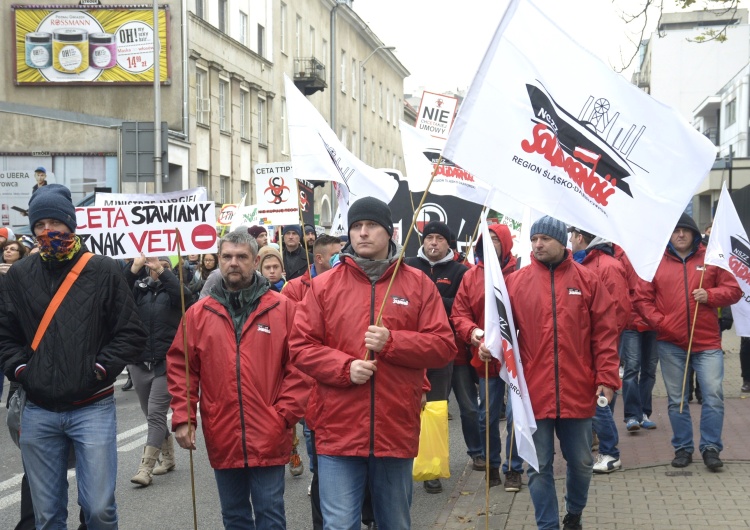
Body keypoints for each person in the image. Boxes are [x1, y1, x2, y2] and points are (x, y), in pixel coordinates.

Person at [289, 197, 457, 530]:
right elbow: (300, 346)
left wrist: (393, 343)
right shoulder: (323, 287)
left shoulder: (418, 284)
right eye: (356, 227)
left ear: (389, 231)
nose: (363, 233)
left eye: (371, 226)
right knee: (339, 524)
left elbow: (443, 347)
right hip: (337, 428)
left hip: (395, 426)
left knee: (394, 522)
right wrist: (344, 368)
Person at [0, 184, 147, 529]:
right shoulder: (19, 276)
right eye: (40, 225)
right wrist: (21, 370)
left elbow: (131, 333)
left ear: (71, 223)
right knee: (46, 515)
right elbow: (6, 334)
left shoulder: (105, 270)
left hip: (91, 407)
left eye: (55, 222)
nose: (48, 231)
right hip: (38, 409)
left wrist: (98, 369)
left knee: (99, 510)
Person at [167, 229, 311, 529]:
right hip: (223, 430)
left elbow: (300, 366)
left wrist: (283, 415)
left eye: (241, 257)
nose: (234, 263)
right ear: (218, 260)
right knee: (234, 516)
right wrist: (183, 416)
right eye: (227, 257)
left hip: (269, 431)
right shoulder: (197, 313)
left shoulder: (283, 308)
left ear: (255, 260)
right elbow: (183, 367)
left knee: (270, 514)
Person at [503, 216, 620, 530]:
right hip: (532, 392)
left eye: (545, 239)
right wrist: (486, 346)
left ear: (562, 241)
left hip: (577, 389)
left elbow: (605, 334)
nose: (538, 245)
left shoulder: (587, 280)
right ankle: (548, 526)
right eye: (534, 239)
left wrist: (606, 378)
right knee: (538, 467)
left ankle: (575, 514)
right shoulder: (515, 282)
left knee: (582, 462)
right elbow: (501, 333)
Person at [635, 213, 742, 471]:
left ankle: (710, 448)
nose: (680, 234)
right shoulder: (655, 262)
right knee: (676, 400)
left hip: (707, 343)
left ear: (694, 234)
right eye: (675, 231)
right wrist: (661, 323)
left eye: (685, 230)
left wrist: (711, 295)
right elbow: (641, 299)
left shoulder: (712, 259)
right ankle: (682, 448)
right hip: (671, 343)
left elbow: (735, 290)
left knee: (714, 396)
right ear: (669, 235)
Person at [452, 223, 524, 491]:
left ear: (505, 242)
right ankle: (492, 464)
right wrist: (475, 335)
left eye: (496, 239)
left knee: (516, 415)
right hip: (485, 359)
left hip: (516, 359)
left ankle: (513, 468)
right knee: (486, 416)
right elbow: (459, 314)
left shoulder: (520, 274)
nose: (490, 243)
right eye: (486, 239)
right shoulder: (471, 277)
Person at [405, 220, 468, 494]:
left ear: (448, 243)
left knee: (434, 409)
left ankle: (431, 468)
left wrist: (430, 299)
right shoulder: (406, 265)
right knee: (405, 409)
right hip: (406, 351)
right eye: (429, 237)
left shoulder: (460, 271)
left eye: (439, 239)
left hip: (441, 351)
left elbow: (462, 307)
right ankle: (401, 462)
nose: (433, 243)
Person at [569, 226, 630, 474]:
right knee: (594, 400)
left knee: (598, 400)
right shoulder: (583, 264)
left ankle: (610, 453)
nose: (569, 241)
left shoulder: (607, 266)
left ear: (580, 237)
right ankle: (603, 449)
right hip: (584, 347)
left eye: (571, 236)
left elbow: (618, 313)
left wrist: (601, 344)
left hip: (598, 347)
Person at [125, 254, 190, 486]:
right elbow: (116, 295)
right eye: (153, 266)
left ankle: (145, 468)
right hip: (140, 362)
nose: (157, 269)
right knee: (151, 415)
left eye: (165, 267)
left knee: (155, 414)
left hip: (166, 363)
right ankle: (169, 458)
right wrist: (133, 268)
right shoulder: (137, 290)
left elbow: (186, 298)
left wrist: (164, 272)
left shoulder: (174, 293)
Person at [613, 245, 660, 431]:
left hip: (654, 321)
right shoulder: (625, 256)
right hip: (632, 322)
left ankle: (644, 412)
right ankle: (632, 415)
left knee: (649, 369)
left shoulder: (658, 255)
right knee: (632, 368)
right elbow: (621, 289)